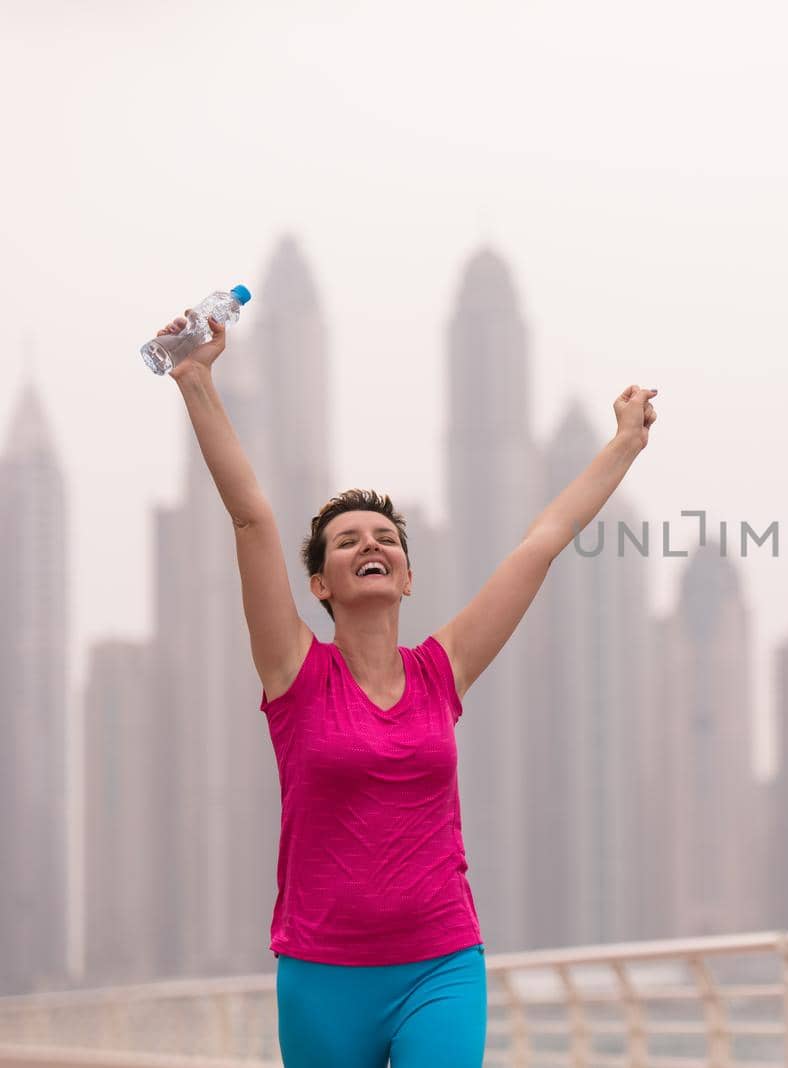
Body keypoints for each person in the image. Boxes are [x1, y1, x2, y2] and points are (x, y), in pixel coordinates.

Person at [161, 308, 657, 1067]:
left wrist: (622, 444)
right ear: (321, 583)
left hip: (441, 962)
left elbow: (542, 543)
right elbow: (252, 521)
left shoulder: (441, 670)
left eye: (387, 538)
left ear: (407, 575)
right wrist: (195, 377)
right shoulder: (294, 672)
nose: (372, 545)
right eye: (349, 540)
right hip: (323, 973)